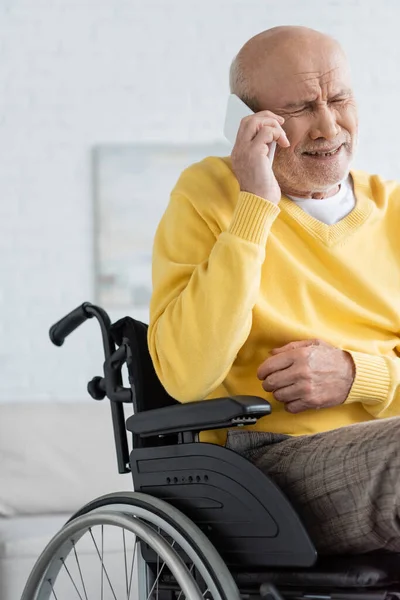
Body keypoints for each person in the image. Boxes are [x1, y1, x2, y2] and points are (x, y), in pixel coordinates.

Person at [147, 25, 400, 555]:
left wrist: (359, 375)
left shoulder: (393, 206)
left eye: (338, 99)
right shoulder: (208, 195)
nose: (328, 126)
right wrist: (254, 206)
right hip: (268, 465)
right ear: (248, 121)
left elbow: (369, 383)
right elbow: (187, 375)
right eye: (301, 108)